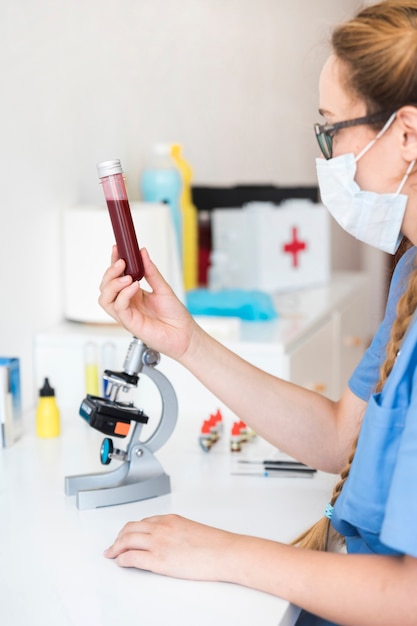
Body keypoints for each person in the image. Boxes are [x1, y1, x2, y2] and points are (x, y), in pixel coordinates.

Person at [98, 2, 417, 624]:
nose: (325, 157)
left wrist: (226, 551)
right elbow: (337, 438)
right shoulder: (411, 273)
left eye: (332, 130)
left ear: (406, 134)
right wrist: (185, 339)